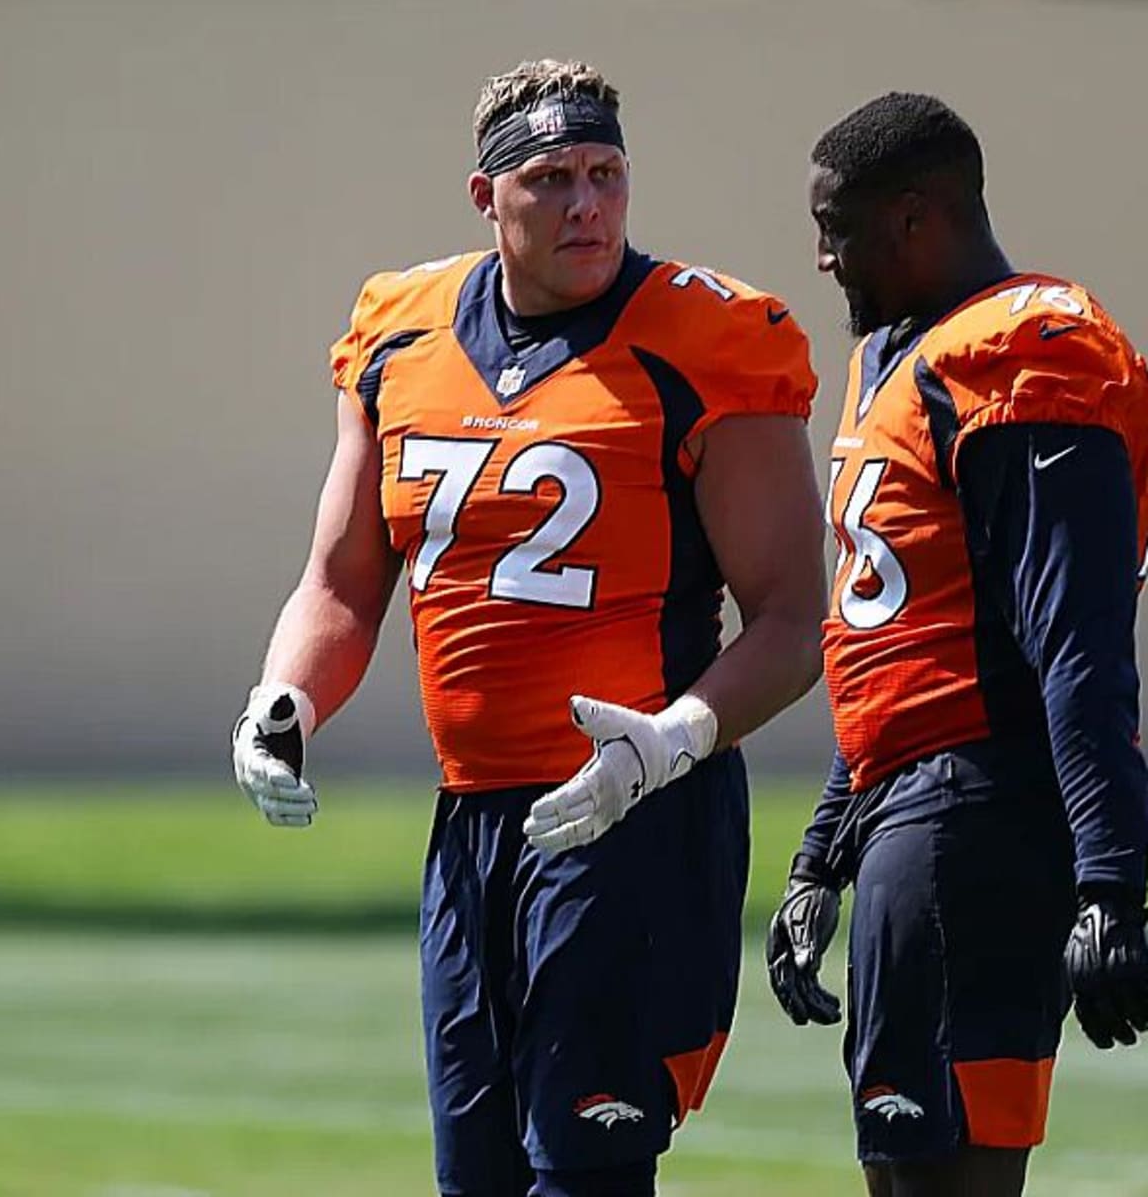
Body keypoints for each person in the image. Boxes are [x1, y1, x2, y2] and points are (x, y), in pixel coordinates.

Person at [232, 59, 826, 1197]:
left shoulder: (706, 339)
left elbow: (795, 621)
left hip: (638, 820)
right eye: (552, 179)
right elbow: (346, 580)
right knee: (477, 1181)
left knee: (585, 1181)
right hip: (473, 828)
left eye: (606, 173)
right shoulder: (401, 333)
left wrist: (667, 743)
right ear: (484, 196)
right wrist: (285, 700)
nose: (588, 205)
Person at [765, 91, 1148, 1197]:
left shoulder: (1025, 351)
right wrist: (822, 853)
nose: (823, 258)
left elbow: (1074, 643)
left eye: (839, 228)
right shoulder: (898, 354)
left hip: (976, 821)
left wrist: (1113, 880)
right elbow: (894, 643)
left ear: (917, 218)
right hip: (911, 814)